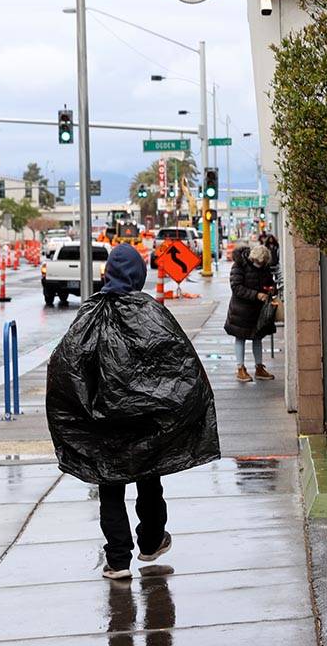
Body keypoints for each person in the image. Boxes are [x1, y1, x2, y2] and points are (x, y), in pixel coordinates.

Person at [46, 243, 220, 580]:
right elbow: (178, 364)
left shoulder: (90, 314)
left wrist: (84, 410)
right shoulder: (151, 313)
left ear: (108, 272)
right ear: (139, 275)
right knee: (149, 480)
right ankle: (151, 541)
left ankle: (118, 560)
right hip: (145, 424)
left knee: (110, 489)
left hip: (103, 427)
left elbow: (66, 364)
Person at [224, 244, 278, 382]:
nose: (260, 265)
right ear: (253, 258)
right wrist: (256, 295)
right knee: (240, 337)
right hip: (241, 309)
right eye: (259, 262)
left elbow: (269, 282)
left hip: (257, 310)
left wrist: (271, 290)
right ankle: (240, 368)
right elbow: (236, 287)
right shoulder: (239, 265)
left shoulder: (264, 267)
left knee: (257, 337)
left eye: (263, 263)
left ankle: (259, 367)